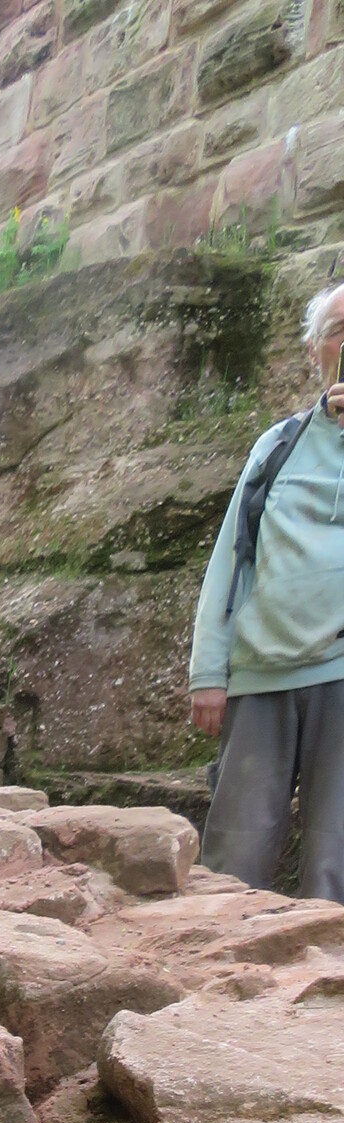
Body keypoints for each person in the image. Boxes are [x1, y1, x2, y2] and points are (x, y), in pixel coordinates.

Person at [190, 281, 344, 898]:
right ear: (314, 350)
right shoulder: (277, 446)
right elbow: (230, 561)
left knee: (336, 863)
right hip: (261, 674)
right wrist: (208, 672)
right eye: (339, 330)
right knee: (235, 858)